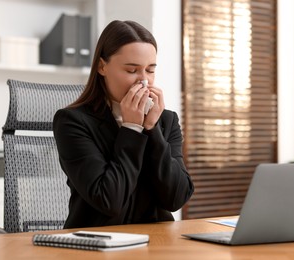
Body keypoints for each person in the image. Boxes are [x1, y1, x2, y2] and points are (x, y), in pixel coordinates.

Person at [53, 20, 195, 229]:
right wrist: (131, 129)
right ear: (102, 66)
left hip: (157, 245)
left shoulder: (166, 120)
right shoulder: (72, 121)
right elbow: (109, 201)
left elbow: (176, 199)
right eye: (132, 70)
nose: (144, 81)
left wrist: (151, 129)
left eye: (150, 70)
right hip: (96, 244)